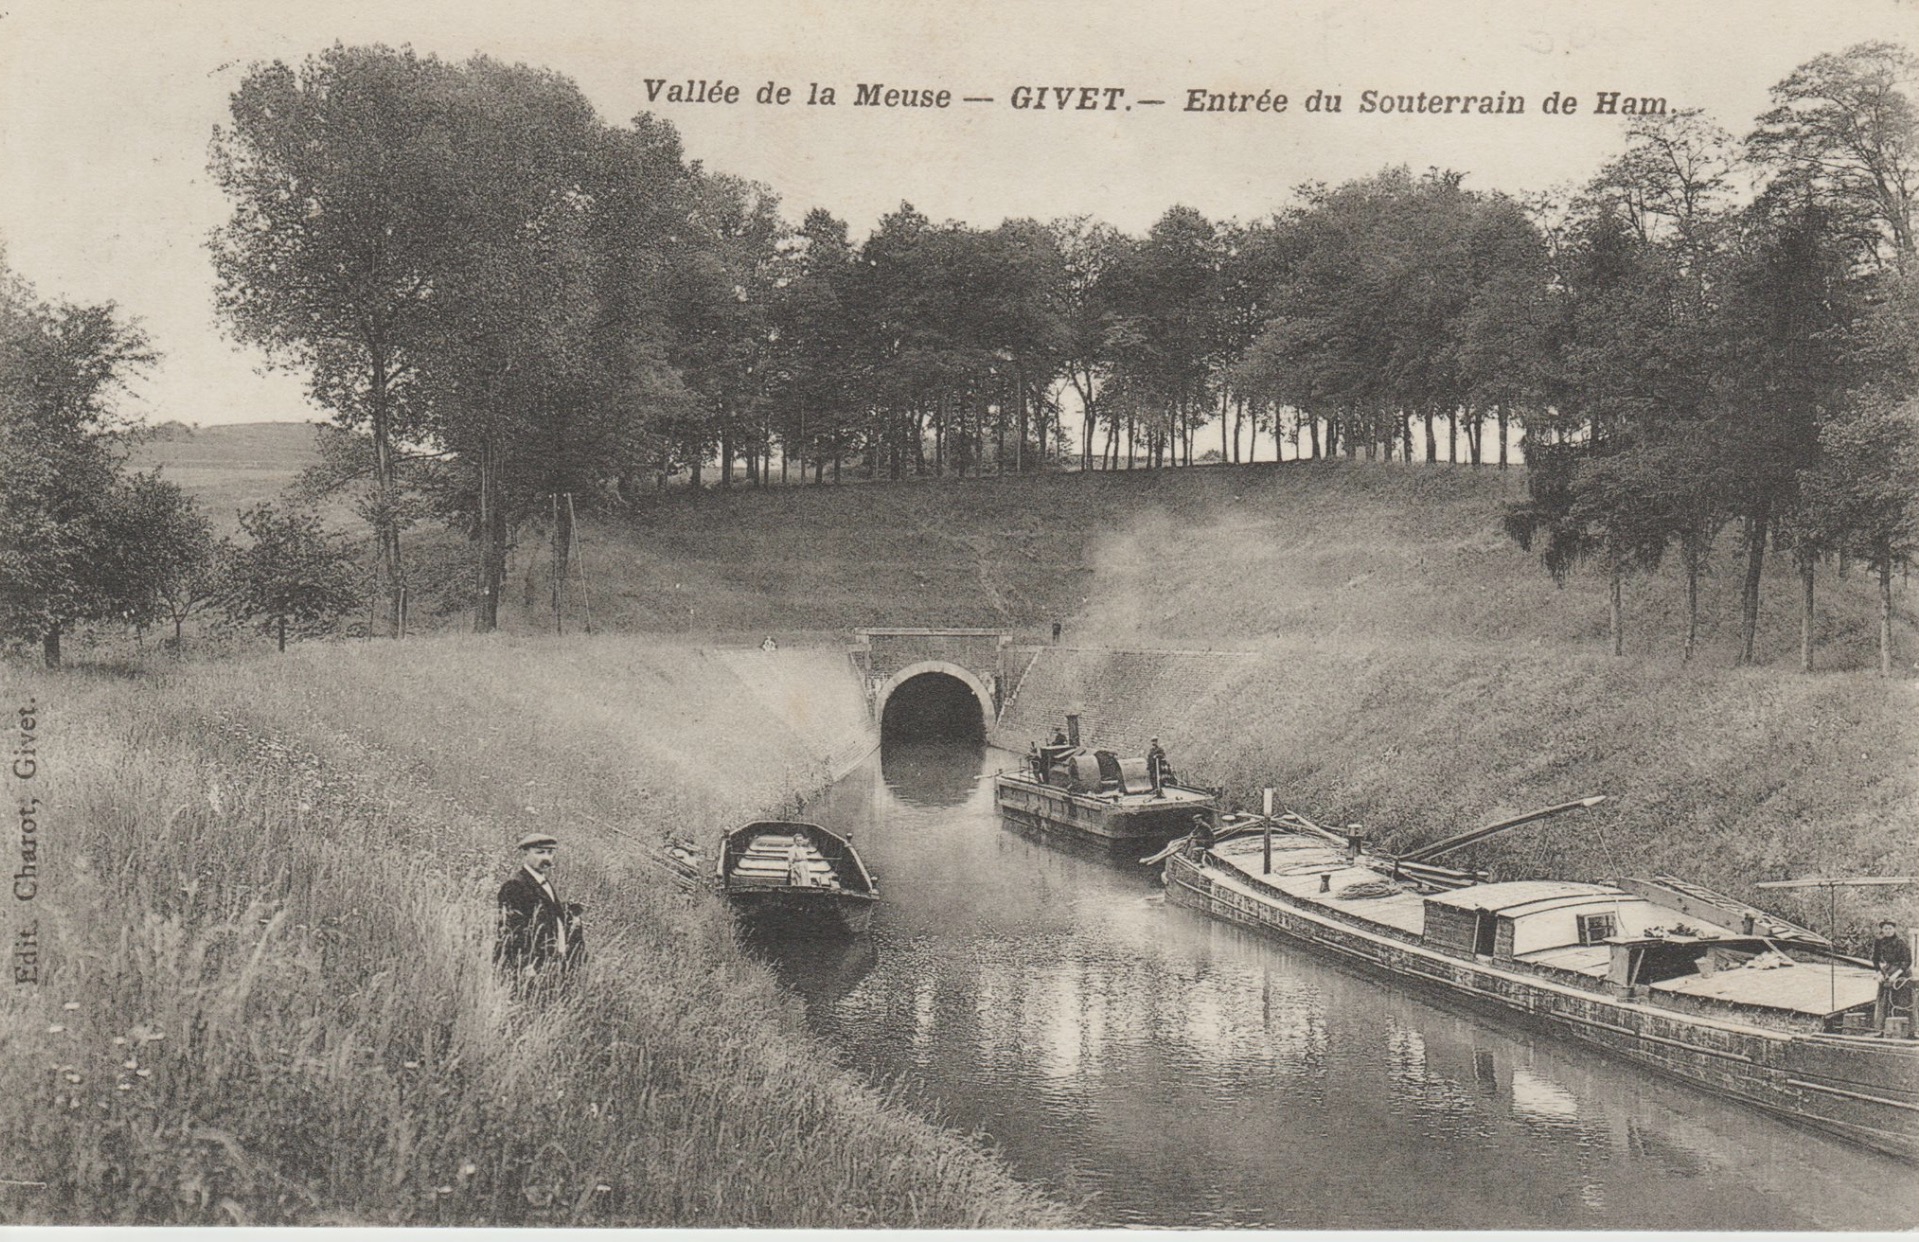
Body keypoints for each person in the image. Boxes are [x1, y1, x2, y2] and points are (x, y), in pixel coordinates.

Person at [496, 832, 586, 982]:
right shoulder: (515, 885)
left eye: (550, 852)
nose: (546, 857)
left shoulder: (542, 881)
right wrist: (525, 964)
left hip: (550, 963)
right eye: (539, 852)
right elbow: (511, 930)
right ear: (525, 853)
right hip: (531, 967)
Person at [1872, 919, 1913, 1035]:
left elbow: (1907, 961)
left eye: (1890, 928)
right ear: (1882, 930)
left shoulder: (1901, 942)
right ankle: (1882, 1030)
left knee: (1901, 1000)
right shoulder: (1879, 942)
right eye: (1885, 929)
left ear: (1894, 929)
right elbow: (1875, 959)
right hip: (1887, 971)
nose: (1888, 931)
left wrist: (1896, 974)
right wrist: (1878, 973)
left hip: (1902, 973)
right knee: (1884, 1000)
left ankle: (1907, 1030)